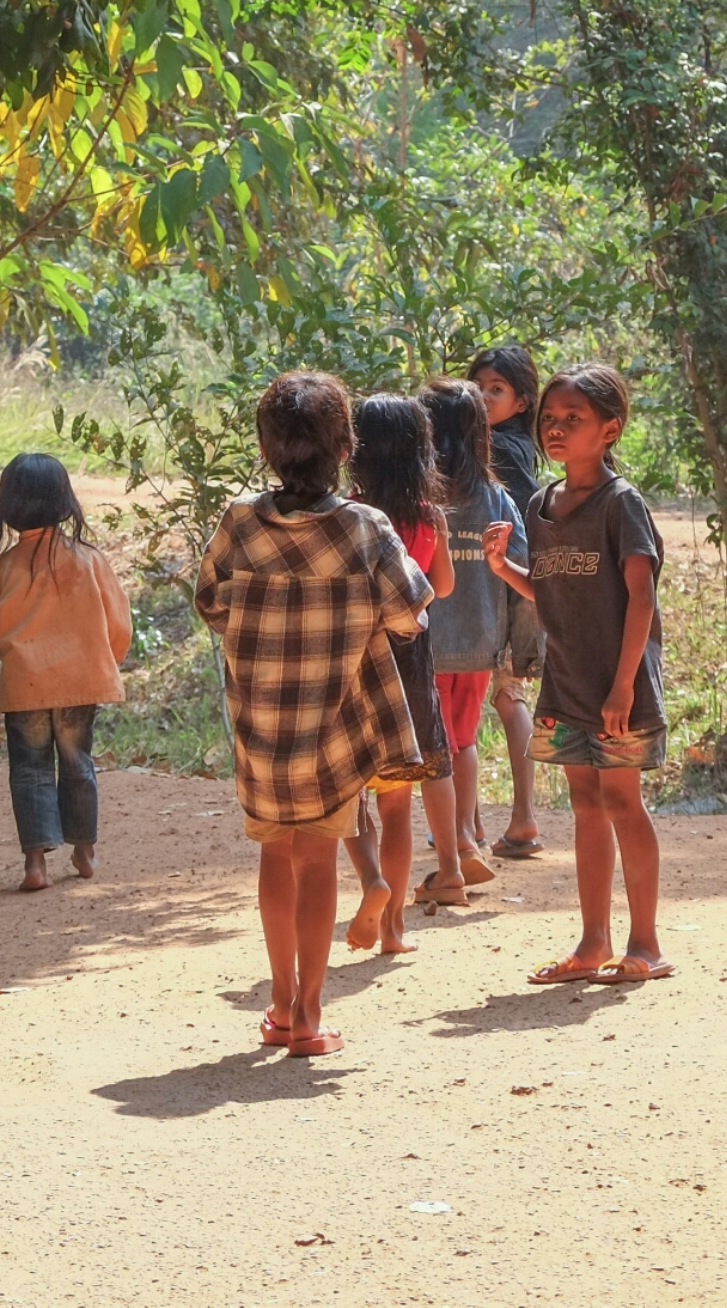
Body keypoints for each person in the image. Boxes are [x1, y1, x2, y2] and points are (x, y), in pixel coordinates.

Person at [196, 372, 432, 1057]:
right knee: (319, 863)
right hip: (334, 731)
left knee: (275, 860)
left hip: (262, 728)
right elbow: (408, 614)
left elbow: (210, 605)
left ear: (267, 449)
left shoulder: (240, 520)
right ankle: (309, 1013)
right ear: (344, 446)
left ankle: (276, 1001)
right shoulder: (365, 527)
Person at [483, 363, 673, 985]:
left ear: (610, 429)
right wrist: (502, 567)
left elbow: (640, 599)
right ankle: (593, 944)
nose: (557, 431)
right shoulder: (540, 505)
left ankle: (644, 945)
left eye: (575, 420)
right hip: (565, 685)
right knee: (586, 804)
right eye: (551, 421)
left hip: (619, 686)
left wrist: (624, 686)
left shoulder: (623, 505)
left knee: (622, 800)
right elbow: (548, 589)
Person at [342, 393, 465, 952]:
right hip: (409, 659)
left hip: (351, 658)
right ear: (421, 451)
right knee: (398, 804)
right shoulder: (428, 517)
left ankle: (370, 879)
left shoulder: (346, 512)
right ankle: (394, 927)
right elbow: (441, 588)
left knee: (351, 796)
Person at [0, 454, 133, 892]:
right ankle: (83, 851)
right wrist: (105, 663)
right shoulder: (88, 559)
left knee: (29, 770)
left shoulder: (7, 565)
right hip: (80, 682)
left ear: (7, 505)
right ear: (66, 501)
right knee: (77, 764)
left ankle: (35, 863)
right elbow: (118, 624)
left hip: (24, 685)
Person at [421, 376, 529, 883]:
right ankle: (465, 834)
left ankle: (453, 852)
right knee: (463, 741)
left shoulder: (416, 499)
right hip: (480, 644)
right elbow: (524, 566)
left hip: (425, 646)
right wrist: (521, 648)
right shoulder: (497, 498)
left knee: (433, 749)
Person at [465, 345, 546, 858]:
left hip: (494, 588)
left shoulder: (503, 451)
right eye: (479, 387)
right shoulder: (496, 445)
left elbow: (514, 527)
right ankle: (494, 822)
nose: (485, 396)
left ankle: (503, 821)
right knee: (490, 698)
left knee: (492, 695)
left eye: (497, 389)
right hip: (502, 586)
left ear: (521, 402)